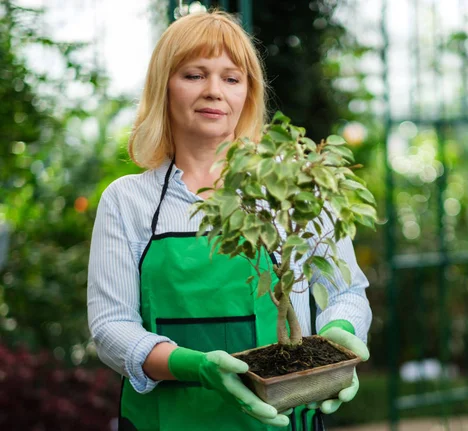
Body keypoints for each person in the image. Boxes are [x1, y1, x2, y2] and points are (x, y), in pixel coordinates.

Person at [87, 9, 371, 431]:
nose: (214, 91)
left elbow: (345, 289)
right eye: (194, 75)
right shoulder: (129, 201)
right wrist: (198, 366)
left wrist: (340, 334)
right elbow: (111, 327)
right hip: (168, 422)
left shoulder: (294, 190)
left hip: (281, 418)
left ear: (247, 95)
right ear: (163, 87)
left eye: (231, 78)